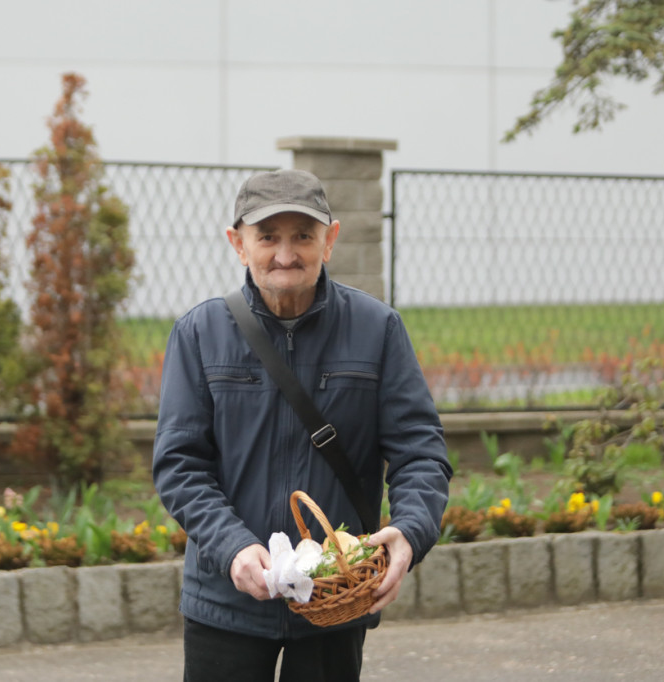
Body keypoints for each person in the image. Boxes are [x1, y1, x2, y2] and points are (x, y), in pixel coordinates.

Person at [152, 168, 451, 681]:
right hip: (226, 602)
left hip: (336, 596)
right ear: (238, 244)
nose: (285, 255)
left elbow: (420, 453)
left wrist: (409, 531)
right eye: (268, 236)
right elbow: (179, 465)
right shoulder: (199, 333)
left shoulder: (378, 329)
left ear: (329, 240)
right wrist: (231, 547)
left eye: (303, 237)